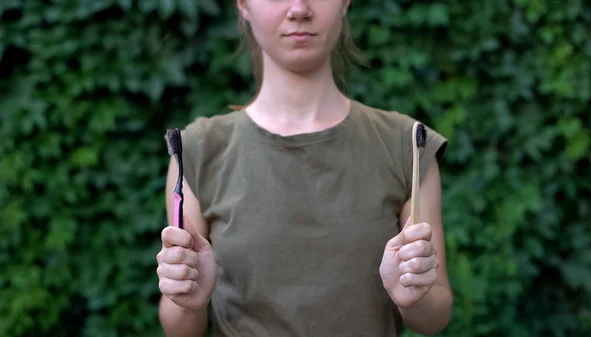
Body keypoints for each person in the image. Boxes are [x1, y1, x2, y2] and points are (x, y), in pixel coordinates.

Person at [156, 0, 453, 336]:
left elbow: (435, 316)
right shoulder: (196, 151)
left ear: (345, 3)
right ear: (243, 5)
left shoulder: (407, 145)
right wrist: (187, 298)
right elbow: (180, 329)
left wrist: (414, 296)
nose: (298, 8)